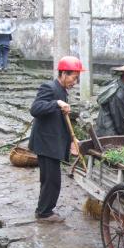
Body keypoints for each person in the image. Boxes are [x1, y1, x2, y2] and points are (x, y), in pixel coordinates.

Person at [29, 56, 86, 223]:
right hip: (45, 142)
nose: (75, 82)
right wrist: (56, 103)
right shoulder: (49, 87)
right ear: (63, 74)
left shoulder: (62, 91)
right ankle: (44, 213)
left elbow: (61, 120)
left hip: (53, 142)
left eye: (76, 78)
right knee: (51, 180)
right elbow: (35, 109)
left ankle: (44, 209)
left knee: (50, 179)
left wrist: (70, 142)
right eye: (73, 77)